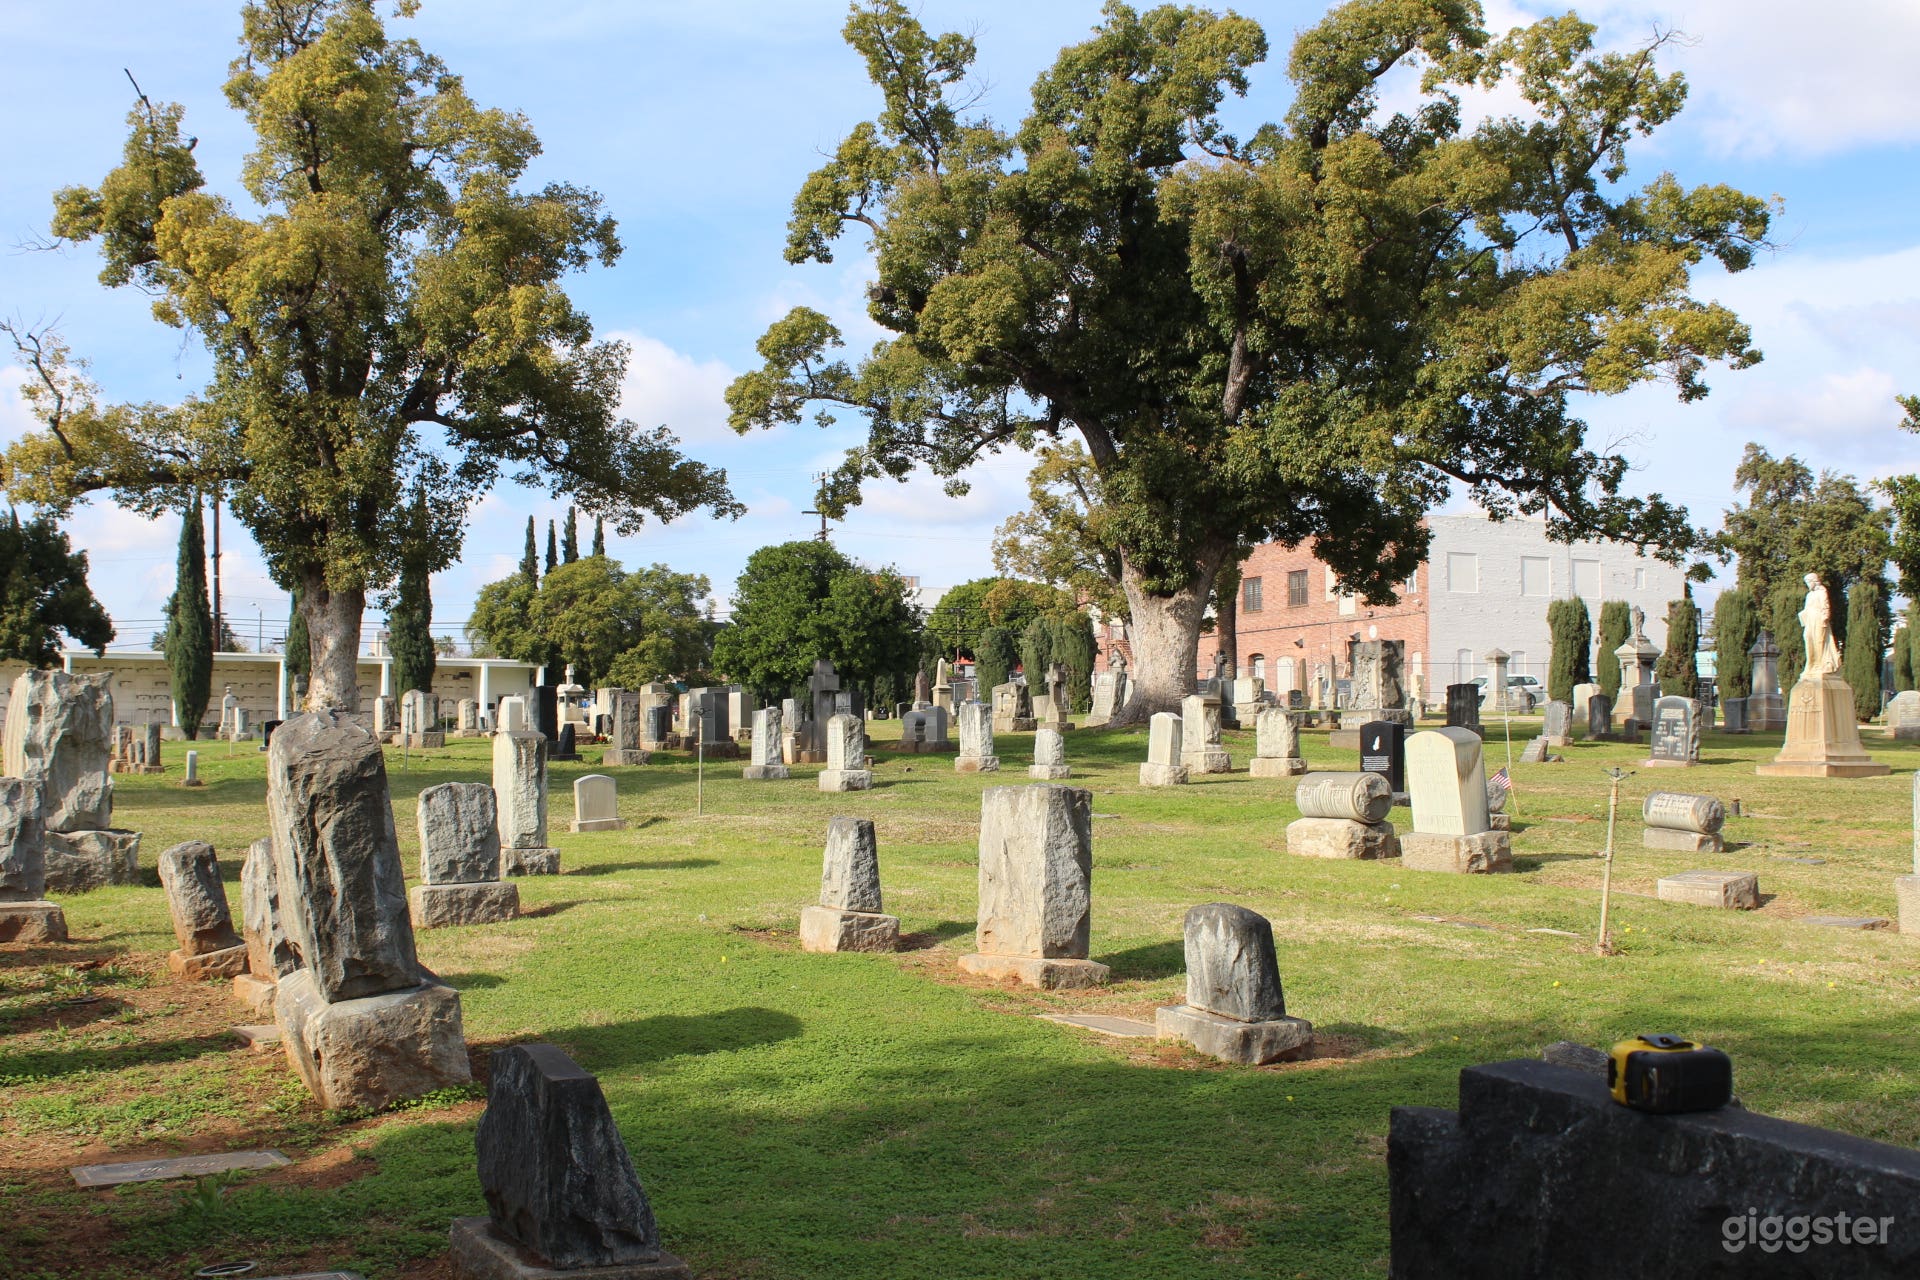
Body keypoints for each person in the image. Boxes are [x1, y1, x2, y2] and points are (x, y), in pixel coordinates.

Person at [1798, 572, 1841, 676]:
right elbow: (1807, 609)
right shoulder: (1809, 595)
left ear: (1814, 581)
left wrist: (1824, 618)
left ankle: (1819, 664)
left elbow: (1825, 606)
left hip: (1818, 619)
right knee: (1808, 638)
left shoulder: (1821, 592)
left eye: (1808, 582)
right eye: (1806, 582)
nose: (1807, 584)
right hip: (1809, 620)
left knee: (1819, 641)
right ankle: (1810, 664)